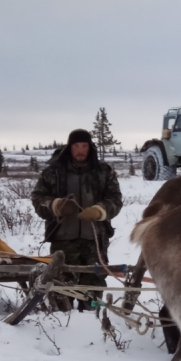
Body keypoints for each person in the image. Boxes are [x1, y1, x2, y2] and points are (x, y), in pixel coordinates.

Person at [31, 129, 123, 309]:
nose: (80, 150)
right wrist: (55, 205)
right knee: (61, 287)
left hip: (95, 240)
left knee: (93, 287)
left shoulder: (104, 172)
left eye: (84, 146)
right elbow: (37, 198)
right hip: (63, 241)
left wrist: (99, 211)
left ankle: (91, 322)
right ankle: (62, 326)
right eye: (76, 146)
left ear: (90, 147)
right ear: (69, 147)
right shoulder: (53, 173)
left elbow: (116, 199)